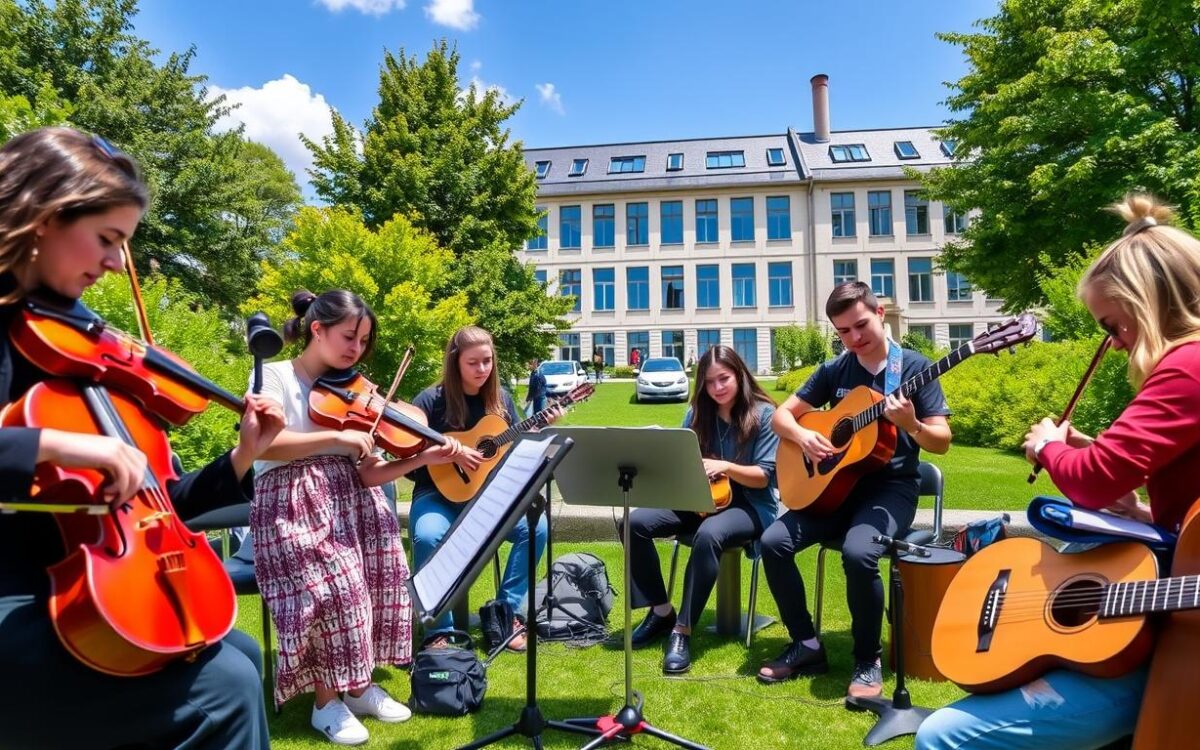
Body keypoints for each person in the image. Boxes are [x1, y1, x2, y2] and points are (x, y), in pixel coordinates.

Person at [0, 127, 286, 749]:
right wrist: (59, 444)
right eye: (107, 240)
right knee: (229, 686)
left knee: (237, 648)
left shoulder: (74, 356)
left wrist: (244, 454)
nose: (111, 263)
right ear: (43, 214)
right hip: (14, 596)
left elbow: (158, 507)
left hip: (75, 586)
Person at [916, 194, 1200, 750]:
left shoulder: (1187, 365)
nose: (1114, 343)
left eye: (1114, 326)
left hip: (1170, 631)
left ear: (1147, 303)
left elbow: (1091, 477)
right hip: (1160, 611)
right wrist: (1138, 511)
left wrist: (1049, 447)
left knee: (943, 737)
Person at [252, 289, 453, 745]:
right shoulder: (275, 376)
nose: (355, 350)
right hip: (288, 504)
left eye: (363, 342)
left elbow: (369, 473)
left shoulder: (349, 390)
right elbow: (263, 444)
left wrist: (422, 457)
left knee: (386, 573)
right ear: (316, 329)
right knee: (338, 590)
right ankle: (326, 704)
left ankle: (359, 686)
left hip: (349, 501)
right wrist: (338, 439)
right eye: (349, 337)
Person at [758, 281, 952, 698]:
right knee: (773, 540)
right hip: (833, 487)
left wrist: (912, 426)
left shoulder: (916, 369)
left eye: (860, 325)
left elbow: (942, 440)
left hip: (889, 490)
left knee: (858, 552)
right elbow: (781, 417)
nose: (855, 338)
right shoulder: (836, 369)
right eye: (843, 331)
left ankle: (867, 660)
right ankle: (806, 644)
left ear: (880, 313)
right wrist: (804, 437)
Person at [623, 345, 779, 673]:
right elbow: (681, 462)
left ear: (740, 375)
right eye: (709, 382)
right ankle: (662, 612)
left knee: (709, 536)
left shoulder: (765, 414)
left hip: (750, 505)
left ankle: (682, 630)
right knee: (633, 522)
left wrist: (725, 465)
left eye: (724, 378)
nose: (718, 387)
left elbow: (764, 478)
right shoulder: (696, 415)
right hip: (700, 499)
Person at [409, 325, 558, 650]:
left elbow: (513, 447)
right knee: (428, 535)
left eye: (487, 361)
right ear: (455, 362)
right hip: (437, 495)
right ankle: (438, 631)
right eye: (473, 362)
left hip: (487, 499)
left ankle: (504, 616)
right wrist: (446, 456)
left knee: (536, 528)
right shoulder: (430, 401)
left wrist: (542, 427)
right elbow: (407, 459)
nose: (481, 369)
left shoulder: (500, 398)